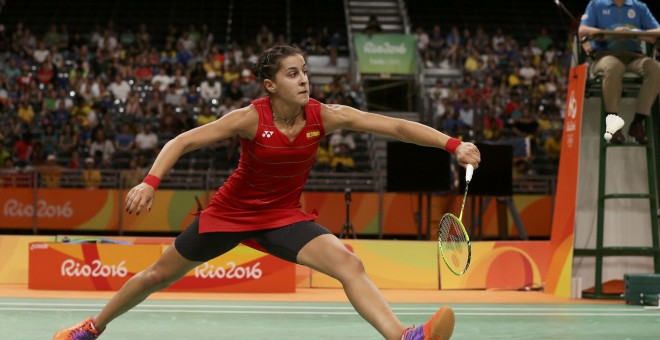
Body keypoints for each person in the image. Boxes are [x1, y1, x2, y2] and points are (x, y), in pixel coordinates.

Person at [54, 45, 480, 340]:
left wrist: (452, 145)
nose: (304, 80)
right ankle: (90, 328)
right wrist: (150, 181)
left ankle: (401, 335)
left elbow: (397, 126)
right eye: (292, 73)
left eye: (305, 72)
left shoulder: (324, 116)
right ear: (270, 85)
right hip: (229, 214)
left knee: (350, 264)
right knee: (156, 276)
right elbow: (181, 141)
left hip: (283, 217)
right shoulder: (249, 119)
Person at [579, 0, 660, 144]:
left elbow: (657, 32)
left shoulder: (639, 7)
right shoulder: (596, 4)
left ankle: (637, 123)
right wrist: (606, 33)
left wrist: (634, 32)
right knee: (614, 66)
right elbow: (582, 30)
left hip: (634, 56)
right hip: (605, 55)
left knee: (655, 69)